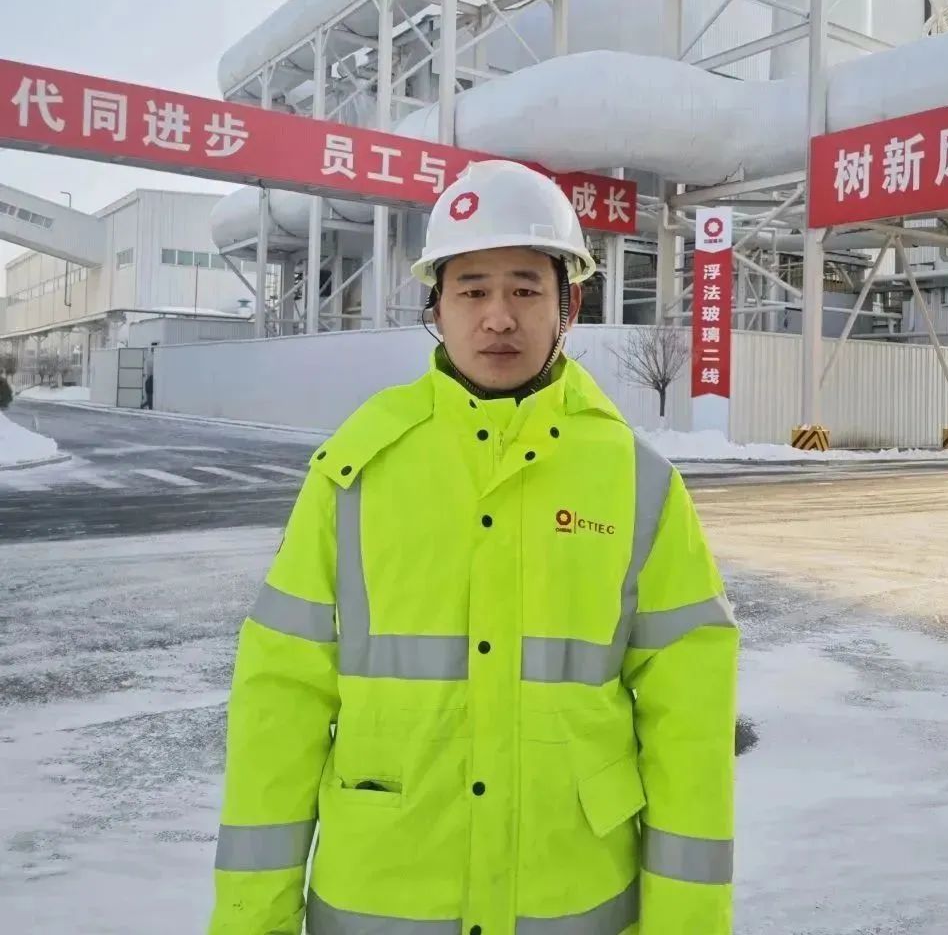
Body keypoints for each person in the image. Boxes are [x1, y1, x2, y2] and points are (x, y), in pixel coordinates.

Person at [208, 161, 739, 934]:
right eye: (472, 290)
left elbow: (689, 728)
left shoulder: (636, 481)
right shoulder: (356, 472)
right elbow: (278, 706)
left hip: (573, 904)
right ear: (436, 305)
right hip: (383, 903)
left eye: (525, 289)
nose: (498, 318)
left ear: (569, 305)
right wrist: (250, 923)